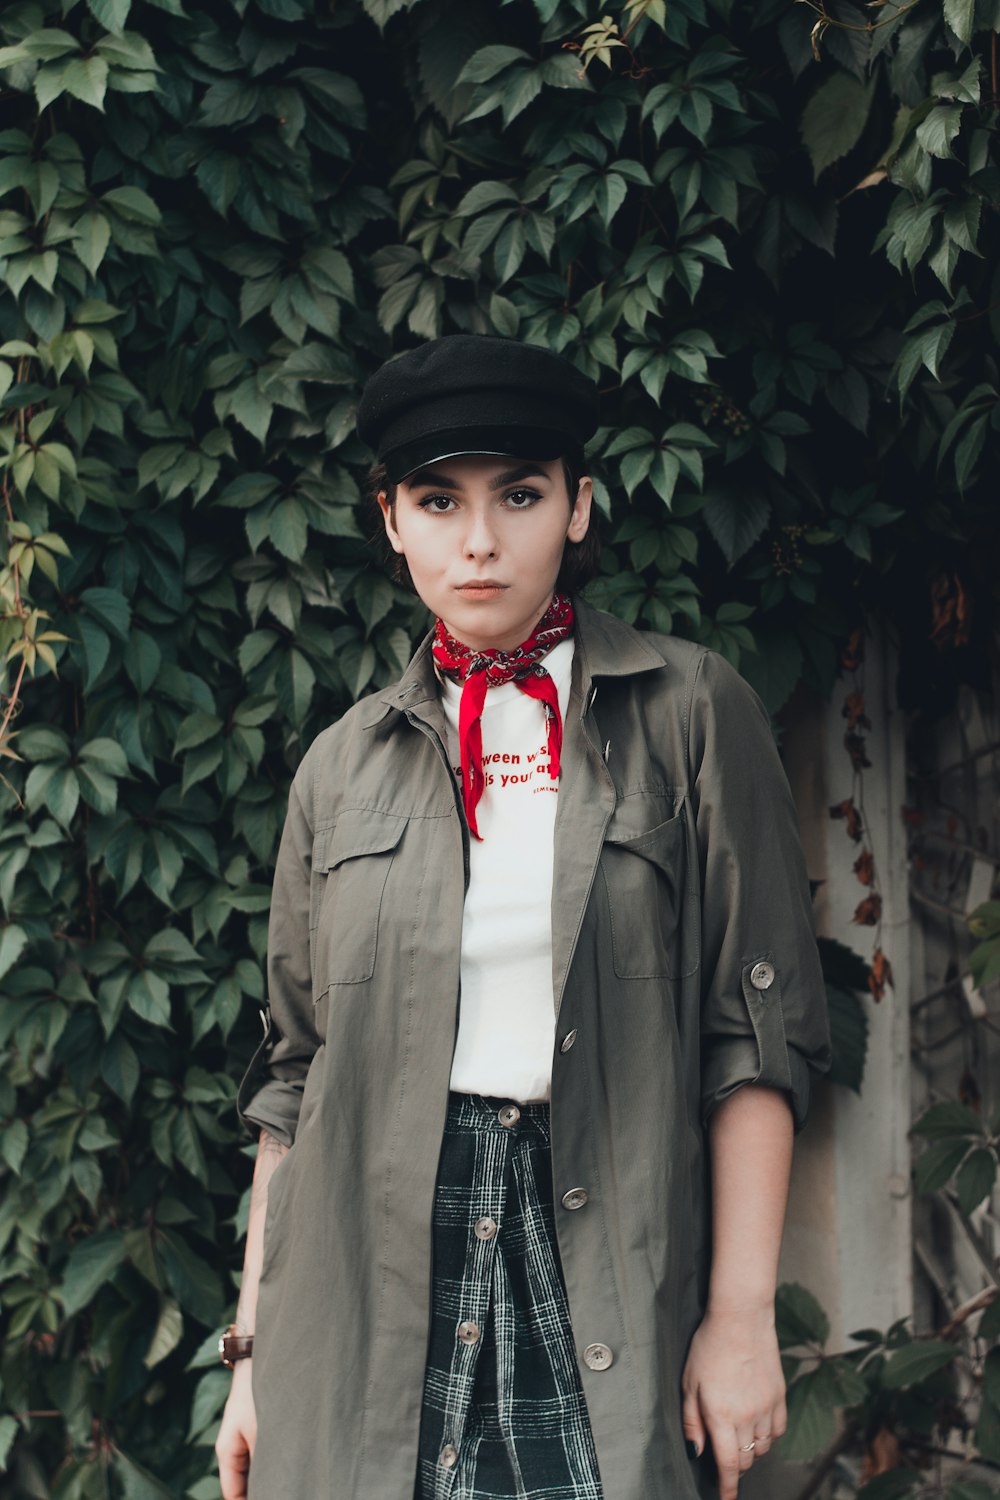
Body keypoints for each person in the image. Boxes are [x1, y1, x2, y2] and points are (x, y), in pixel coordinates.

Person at [214, 334, 831, 1500]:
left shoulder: (692, 711)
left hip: (597, 1250)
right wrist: (250, 1358)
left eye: (521, 495)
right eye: (439, 501)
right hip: (365, 1289)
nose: (482, 540)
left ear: (580, 506)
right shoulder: (337, 768)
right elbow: (293, 1084)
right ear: (390, 520)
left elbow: (755, 1035)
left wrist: (741, 1317)